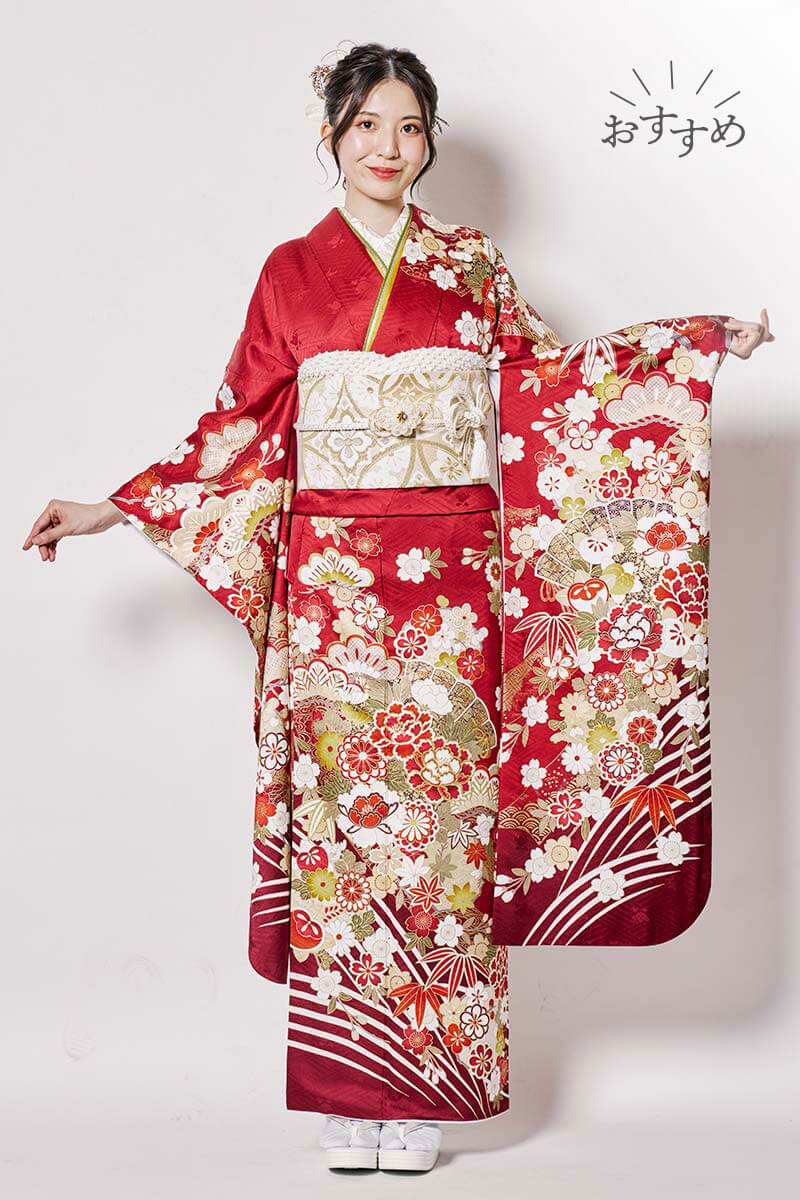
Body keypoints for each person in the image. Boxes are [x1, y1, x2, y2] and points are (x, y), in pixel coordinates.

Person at [22, 41, 773, 1174]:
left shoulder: (471, 266)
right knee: (347, 836)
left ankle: (427, 1096)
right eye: (367, 124)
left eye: (409, 126)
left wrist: (690, 349)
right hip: (336, 592)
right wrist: (113, 508)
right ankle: (346, 1090)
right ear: (330, 135)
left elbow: (552, 391)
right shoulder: (291, 272)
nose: (388, 146)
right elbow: (236, 431)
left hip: (455, 592)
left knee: (444, 835)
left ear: (429, 141)